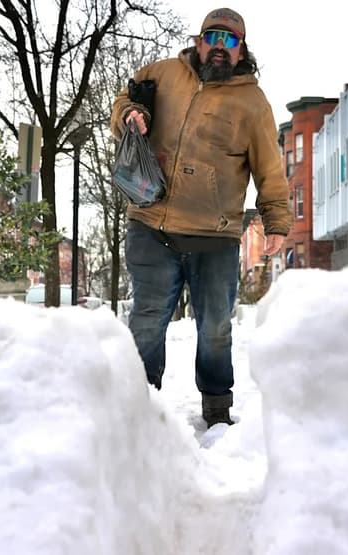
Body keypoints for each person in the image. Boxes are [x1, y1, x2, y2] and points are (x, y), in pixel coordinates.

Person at [110, 7, 292, 427]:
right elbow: (125, 100)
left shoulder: (252, 102)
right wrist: (130, 115)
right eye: (213, 37)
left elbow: (269, 168)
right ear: (199, 40)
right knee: (148, 318)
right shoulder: (161, 73)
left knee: (215, 328)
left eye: (230, 41)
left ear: (241, 49)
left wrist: (277, 223)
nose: (220, 48)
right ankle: (141, 407)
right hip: (150, 222)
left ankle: (216, 408)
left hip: (216, 235)